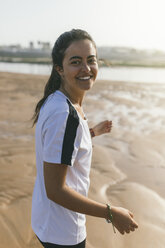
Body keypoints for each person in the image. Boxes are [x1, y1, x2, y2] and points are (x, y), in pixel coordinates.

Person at [31, 29, 138, 248]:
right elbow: (55, 190)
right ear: (59, 68)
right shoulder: (64, 114)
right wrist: (111, 213)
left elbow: (61, 146)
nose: (86, 68)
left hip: (46, 220)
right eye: (75, 62)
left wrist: (91, 133)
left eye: (91, 60)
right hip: (63, 231)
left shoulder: (56, 100)